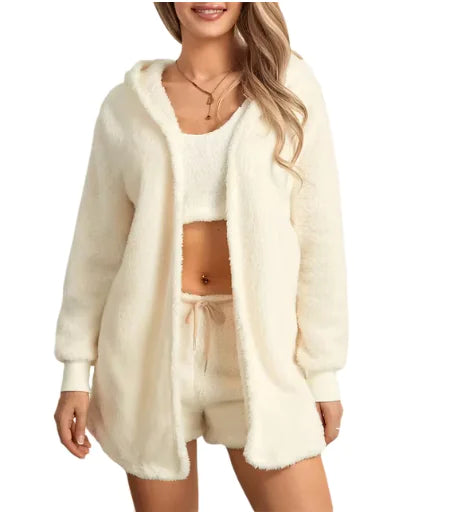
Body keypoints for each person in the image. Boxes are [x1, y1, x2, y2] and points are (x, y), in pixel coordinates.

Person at [53, 2, 348, 510]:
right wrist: (76, 371)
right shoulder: (127, 108)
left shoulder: (288, 88)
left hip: (260, 357)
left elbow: (318, 237)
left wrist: (321, 373)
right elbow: (96, 248)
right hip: (148, 355)